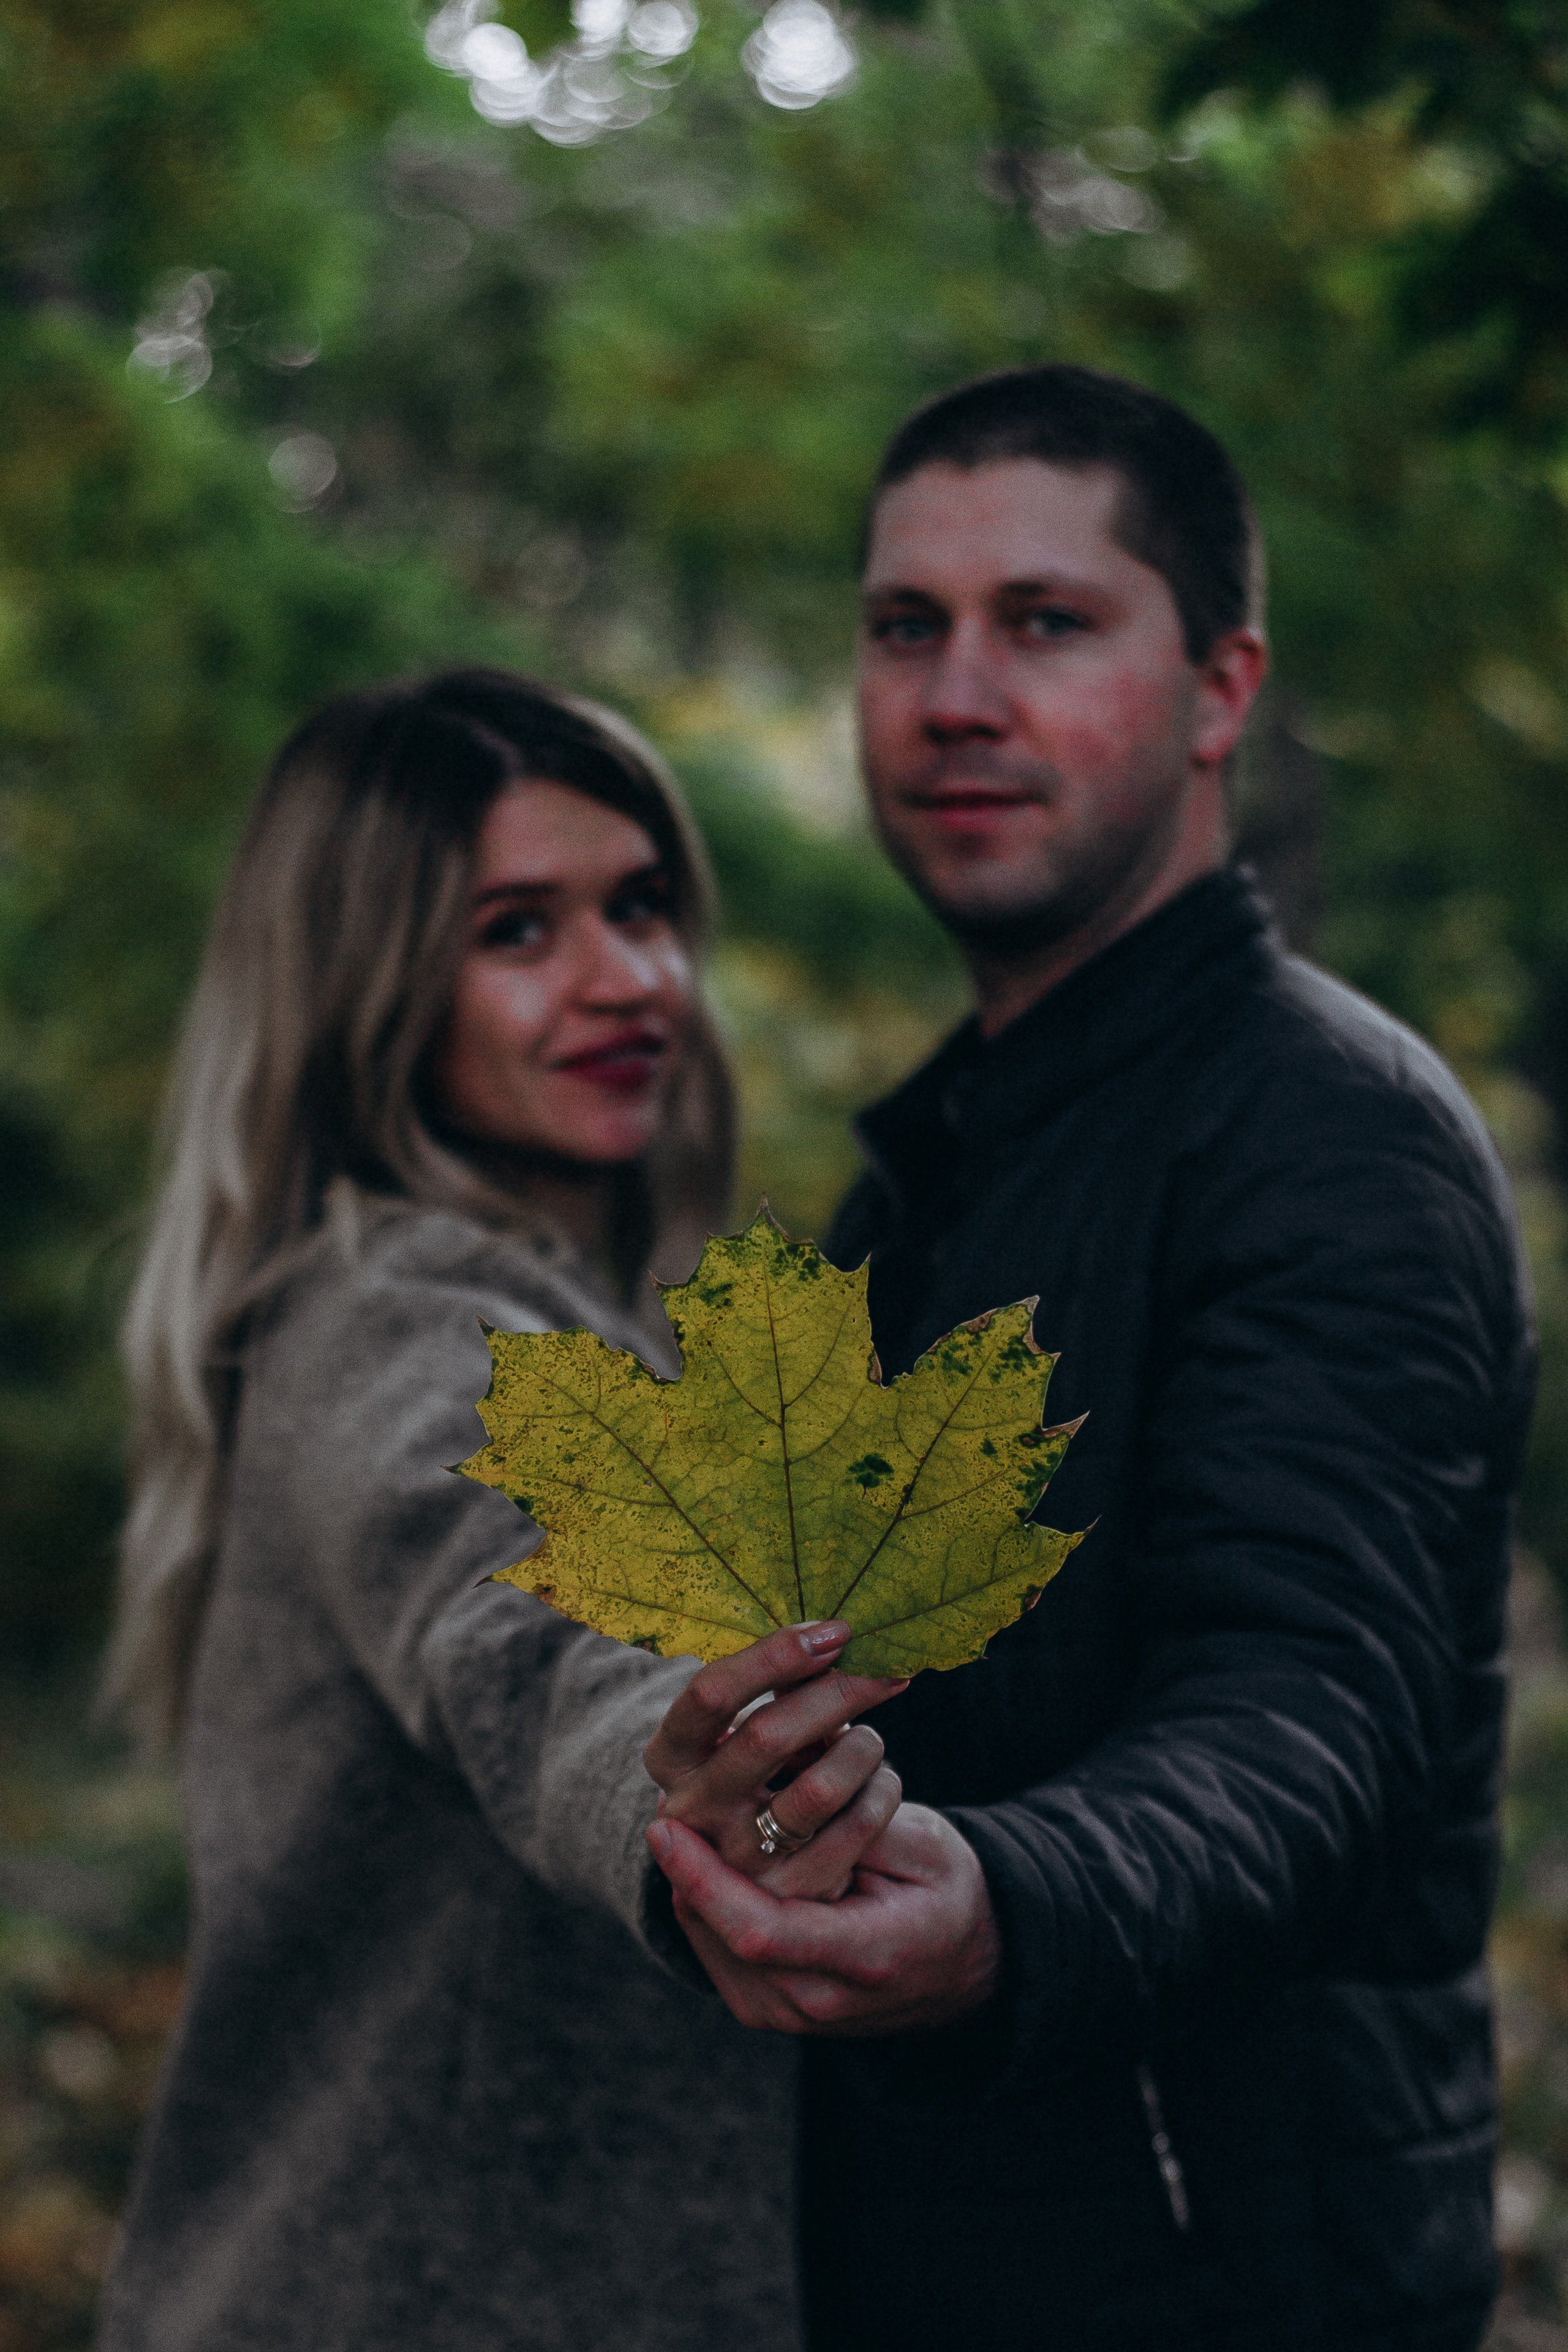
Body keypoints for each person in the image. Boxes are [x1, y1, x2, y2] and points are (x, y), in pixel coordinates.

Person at [646, 366, 1536, 2352]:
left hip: (1231, 2286)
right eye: (906, 628)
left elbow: (1312, 1713)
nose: (957, 693)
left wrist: (1010, 1910)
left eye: (1045, 622)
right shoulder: (919, 1196)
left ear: (1221, 691)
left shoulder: (1331, 1134)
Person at [93, 669, 904, 2352]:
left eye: (643, 906)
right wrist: (679, 1785)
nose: (628, 981)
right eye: (519, 932)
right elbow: (522, 1634)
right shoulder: (399, 1327)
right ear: (369, 988)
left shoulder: (567, 1334)